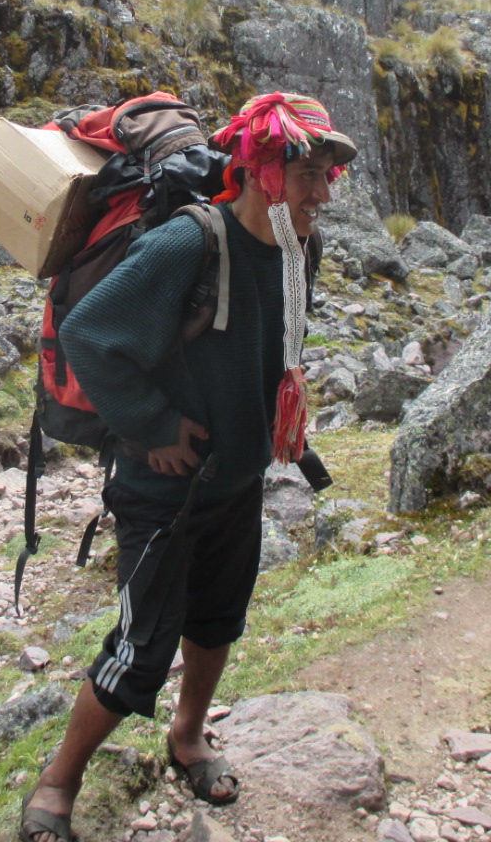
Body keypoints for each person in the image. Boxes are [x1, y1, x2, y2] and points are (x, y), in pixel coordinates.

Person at [18, 93, 357, 842]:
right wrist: (154, 427)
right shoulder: (189, 243)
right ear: (263, 170)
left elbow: (273, 346)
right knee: (142, 649)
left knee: (217, 619)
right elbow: (89, 333)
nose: (324, 194)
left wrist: (277, 428)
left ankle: (188, 735)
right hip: (162, 489)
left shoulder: (297, 249)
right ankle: (58, 781)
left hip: (237, 480)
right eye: (309, 173)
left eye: (328, 175)